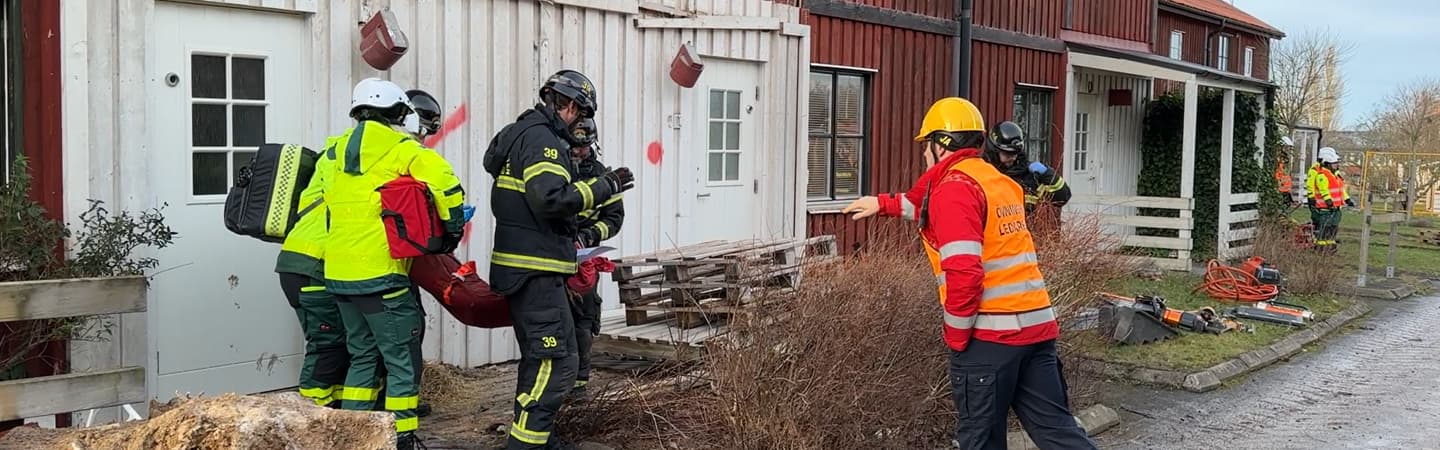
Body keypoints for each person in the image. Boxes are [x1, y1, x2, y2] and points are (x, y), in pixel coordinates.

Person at [841, 97, 1096, 450]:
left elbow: (964, 271)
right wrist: (881, 203)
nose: (923, 155)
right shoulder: (995, 180)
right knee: (1058, 433)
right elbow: (926, 204)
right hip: (1037, 331)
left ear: (941, 143)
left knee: (979, 440)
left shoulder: (954, 188)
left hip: (990, 339)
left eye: (926, 145)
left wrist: (957, 336)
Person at [482, 69, 634, 450]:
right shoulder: (541, 139)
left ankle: (537, 438)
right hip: (536, 269)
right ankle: (527, 445)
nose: (578, 125)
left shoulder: (521, 134)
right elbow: (550, 199)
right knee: (554, 362)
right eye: (578, 114)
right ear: (567, 105)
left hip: (535, 268)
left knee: (549, 357)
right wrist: (606, 185)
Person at [321, 78, 467, 450]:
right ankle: (400, 439)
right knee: (400, 360)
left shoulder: (333, 152)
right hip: (382, 275)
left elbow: (327, 200)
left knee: (362, 356)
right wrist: (451, 230)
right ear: (399, 112)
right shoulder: (403, 148)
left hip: (338, 274)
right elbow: (447, 185)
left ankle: (354, 436)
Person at [276, 138, 346, 410]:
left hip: (298, 263)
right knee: (327, 343)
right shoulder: (351, 177)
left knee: (339, 342)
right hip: (311, 266)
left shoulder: (329, 162)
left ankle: (335, 412)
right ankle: (309, 412)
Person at [565, 117, 625, 397]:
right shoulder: (554, 170)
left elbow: (614, 218)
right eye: (577, 146)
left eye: (586, 146)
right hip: (552, 259)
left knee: (584, 321)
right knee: (558, 320)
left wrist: (589, 236)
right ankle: (560, 381)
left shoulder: (601, 175)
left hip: (583, 260)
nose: (581, 152)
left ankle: (579, 384)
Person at [983, 121, 1070, 216]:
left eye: (1015, 154)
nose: (1013, 158)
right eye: (1007, 154)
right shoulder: (984, 174)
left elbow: (1062, 198)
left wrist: (1046, 174)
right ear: (994, 151)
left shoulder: (1028, 176)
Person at [1306, 146, 1351, 254]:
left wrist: (1347, 199)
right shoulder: (1318, 173)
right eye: (1334, 163)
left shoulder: (1334, 175)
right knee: (1323, 227)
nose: (1336, 165)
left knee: (1332, 227)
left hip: (1334, 207)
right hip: (1324, 207)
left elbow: (1340, 190)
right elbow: (1317, 187)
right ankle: (1320, 247)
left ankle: (1329, 246)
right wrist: (1312, 197)